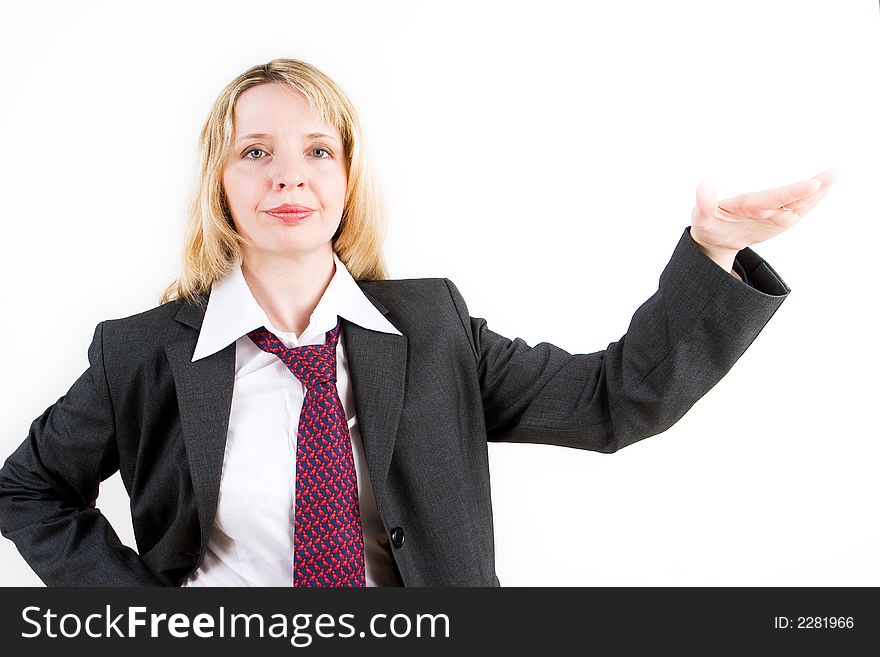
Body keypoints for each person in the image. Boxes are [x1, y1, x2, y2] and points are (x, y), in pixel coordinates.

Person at [0, 58, 835, 587]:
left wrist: (711, 251)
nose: (289, 176)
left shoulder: (432, 329)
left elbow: (616, 400)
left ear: (348, 176)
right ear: (219, 180)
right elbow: (27, 487)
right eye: (255, 151)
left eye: (318, 150)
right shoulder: (141, 352)